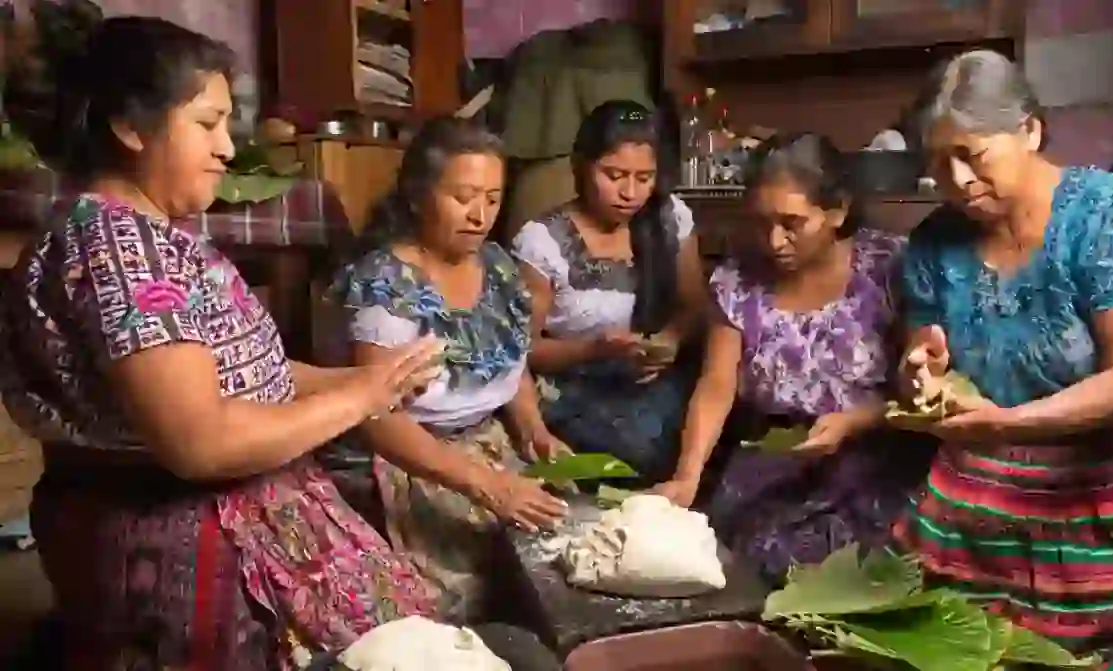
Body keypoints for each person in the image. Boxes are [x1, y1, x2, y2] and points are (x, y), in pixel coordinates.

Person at [0, 16, 560, 670]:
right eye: (206, 123)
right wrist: (361, 396)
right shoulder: (122, 253)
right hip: (194, 537)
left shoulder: (153, 237)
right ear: (130, 126)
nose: (227, 149)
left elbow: (246, 370)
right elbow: (202, 441)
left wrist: (365, 383)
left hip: (255, 503)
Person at [891, 50, 1113, 667]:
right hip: (990, 485)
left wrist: (1003, 426)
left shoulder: (1110, 215)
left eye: (974, 155)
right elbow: (918, 355)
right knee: (976, 649)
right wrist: (922, 367)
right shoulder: (934, 241)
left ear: (1030, 131)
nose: (958, 180)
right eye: (939, 164)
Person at [651, 133, 935, 581]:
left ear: (837, 211)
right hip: (777, 453)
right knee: (739, 556)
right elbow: (717, 384)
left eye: (792, 223)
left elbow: (921, 388)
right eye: (760, 223)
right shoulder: (736, 279)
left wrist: (854, 422)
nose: (774, 240)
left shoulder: (890, 265)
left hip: (878, 447)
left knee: (858, 563)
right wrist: (687, 474)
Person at [328, 117, 568, 622]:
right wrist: (484, 484)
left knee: (544, 574)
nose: (479, 215)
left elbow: (510, 360)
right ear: (418, 196)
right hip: (412, 462)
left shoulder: (498, 266)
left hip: (488, 445)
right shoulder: (387, 284)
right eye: (463, 197)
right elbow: (378, 416)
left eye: (493, 198)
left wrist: (534, 429)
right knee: (453, 610)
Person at [511, 100, 705, 483]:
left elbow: (695, 305)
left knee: (707, 425)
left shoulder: (669, 219)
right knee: (635, 447)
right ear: (580, 166)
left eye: (644, 178)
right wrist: (593, 349)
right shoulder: (543, 243)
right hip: (574, 387)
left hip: (653, 379)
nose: (630, 192)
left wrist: (671, 339)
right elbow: (520, 350)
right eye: (613, 175)